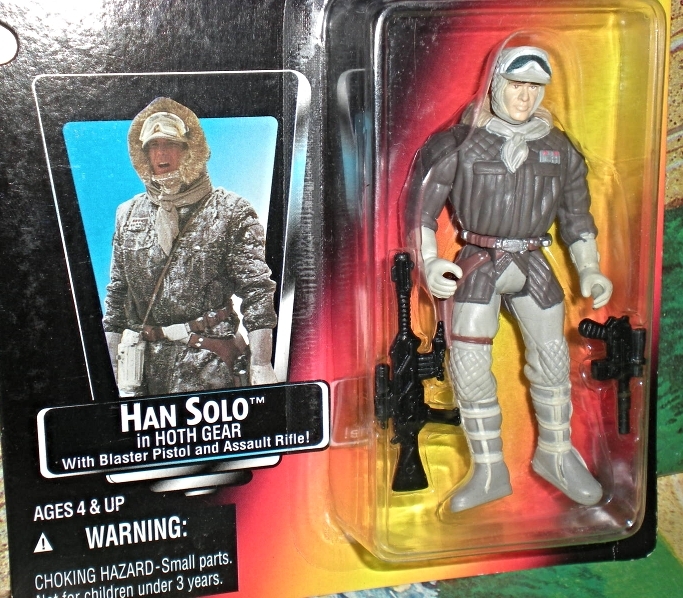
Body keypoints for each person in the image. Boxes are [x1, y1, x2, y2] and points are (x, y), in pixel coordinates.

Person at [413, 46, 612, 512]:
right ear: (495, 84)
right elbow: (420, 211)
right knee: (468, 364)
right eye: (516, 84)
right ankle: (488, 469)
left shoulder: (559, 149)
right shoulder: (458, 143)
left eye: (534, 87)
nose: (525, 96)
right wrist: (429, 263)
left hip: (533, 262)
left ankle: (557, 454)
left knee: (553, 359)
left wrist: (589, 268)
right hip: (479, 262)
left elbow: (577, 217)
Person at [103, 97, 278, 396]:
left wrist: (261, 363)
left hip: (209, 363)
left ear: (189, 151)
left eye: (171, 144)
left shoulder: (231, 211)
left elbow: (257, 290)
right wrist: (112, 369)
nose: (161, 154)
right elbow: (117, 295)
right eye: (153, 146)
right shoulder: (128, 215)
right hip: (141, 369)